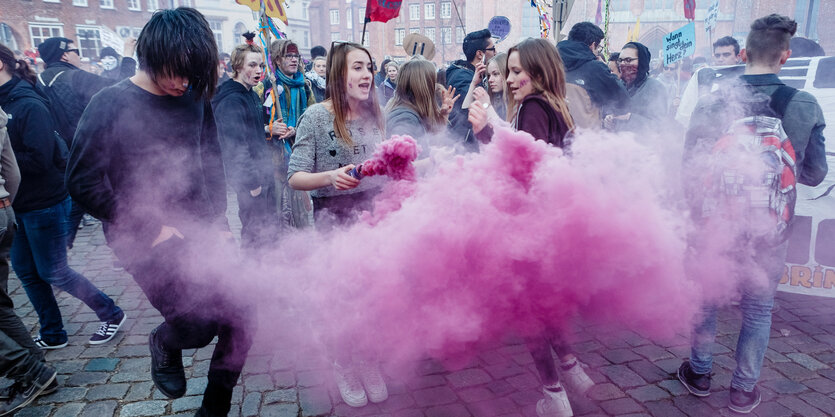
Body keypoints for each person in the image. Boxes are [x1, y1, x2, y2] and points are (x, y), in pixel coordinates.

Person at [65, 8, 253, 416]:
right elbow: (81, 182)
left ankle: (213, 409)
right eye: (177, 72)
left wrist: (219, 221)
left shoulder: (193, 99)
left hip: (199, 226)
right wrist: (151, 225)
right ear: (153, 55)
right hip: (140, 234)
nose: (183, 83)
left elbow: (209, 163)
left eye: (193, 75)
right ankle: (165, 342)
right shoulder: (109, 103)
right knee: (197, 325)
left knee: (243, 316)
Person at [678, 14, 828, 414]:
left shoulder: (712, 101)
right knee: (759, 308)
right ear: (785, 57)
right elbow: (814, 174)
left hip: (715, 226)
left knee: (708, 297)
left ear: (743, 53)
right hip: (770, 230)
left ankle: (700, 372)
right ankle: (743, 389)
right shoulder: (805, 104)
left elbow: (689, 168)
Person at [468, 39, 592, 417]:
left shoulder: (534, 106)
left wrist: (485, 133)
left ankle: (554, 395)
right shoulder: (553, 104)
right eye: (509, 71)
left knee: (528, 312)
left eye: (518, 71)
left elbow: (526, 167)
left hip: (531, 229)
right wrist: (491, 123)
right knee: (544, 305)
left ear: (539, 71)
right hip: (549, 225)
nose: (509, 79)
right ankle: (572, 369)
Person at [0, 44, 126, 351]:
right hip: (16, 204)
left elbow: (41, 158)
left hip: (45, 201)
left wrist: (5, 164)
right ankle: (53, 332)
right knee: (28, 273)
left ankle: (111, 312)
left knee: (54, 271)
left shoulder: (26, 103)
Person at [288, 41, 389, 409]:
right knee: (343, 299)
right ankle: (344, 362)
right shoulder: (316, 116)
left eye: (369, 67)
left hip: (376, 219)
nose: (367, 74)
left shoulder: (375, 115)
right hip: (335, 218)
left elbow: (384, 167)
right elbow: (295, 176)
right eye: (358, 67)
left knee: (374, 298)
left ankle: (369, 359)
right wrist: (331, 176)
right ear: (337, 74)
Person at [35, 36, 137, 247]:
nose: (79, 55)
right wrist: (128, 55)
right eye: (77, 51)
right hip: (90, 155)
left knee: (77, 203)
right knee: (106, 201)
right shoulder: (74, 77)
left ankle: (60, 254)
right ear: (64, 55)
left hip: (61, 157)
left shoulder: (38, 81)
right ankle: (124, 247)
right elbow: (122, 89)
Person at [0, 103, 59, 416]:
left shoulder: (24, 104)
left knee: (53, 272)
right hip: (4, 205)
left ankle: (31, 371)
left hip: (16, 205)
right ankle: (35, 365)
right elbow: (11, 171)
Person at [212, 43, 277, 252]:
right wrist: (252, 182)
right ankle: (253, 277)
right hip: (251, 180)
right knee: (254, 233)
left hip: (262, 173)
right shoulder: (231, 100)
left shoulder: (250, 93)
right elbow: (234, 145)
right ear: (238, 67)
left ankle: (267, 271)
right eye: (252, 65)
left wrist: (269, 129)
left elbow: (252, 132)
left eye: (260, 65)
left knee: (267, 230)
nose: (258, 71)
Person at [385, 58, 457, 156]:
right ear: (423, 86)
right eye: (432, 82)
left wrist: (443, 116)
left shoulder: (413, 111)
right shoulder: (404, 118)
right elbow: (399, 165)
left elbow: (432, 142)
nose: (434, 86)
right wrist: (435, 159)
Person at [557, 22, 627, 120]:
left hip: (554, 130)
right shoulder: (595, 69)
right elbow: (623, 100)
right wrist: (606, 71)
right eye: (598, 48)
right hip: (584, 132)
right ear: (593, 45)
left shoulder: (552, 61)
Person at [445, 29, 496, 148]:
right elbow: (470, 108)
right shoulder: (462, 78)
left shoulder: (471, 74)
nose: (496, 53)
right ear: (480, 54)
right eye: (492, 49)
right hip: (463, 143)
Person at [604, 42, 669, 132]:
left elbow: (659, 125)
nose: (623, 64)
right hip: (617, 143)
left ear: (641, 61)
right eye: (620, 60)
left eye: (628, 60)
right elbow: (608, 110)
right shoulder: (618, 86)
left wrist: (630, 118)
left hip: (643, 144)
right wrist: (608, 119)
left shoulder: (655, 88)